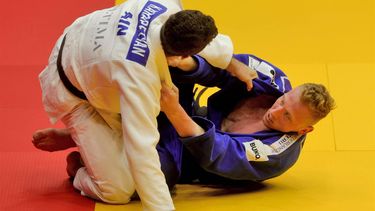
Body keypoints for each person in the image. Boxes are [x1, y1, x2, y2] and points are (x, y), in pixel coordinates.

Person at [36, 0, 257, 210]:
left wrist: (231, 63)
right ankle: (80, 165)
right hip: (73, 92)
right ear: (181, 56)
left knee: (137, 113)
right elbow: (142, 150)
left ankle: (87, 141)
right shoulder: (139, 78)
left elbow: (197, 35)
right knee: (118, 190)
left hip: (81, 39)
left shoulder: (165, 5)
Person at [34, 53, 334, 192]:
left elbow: (215, 151)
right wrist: (185, 62)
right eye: (283, 102)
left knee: (152, 179)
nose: (276, 111)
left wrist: (173, 109)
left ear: (303, 129)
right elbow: (220, 66)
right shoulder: (272, 80)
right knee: (167, 66)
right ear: (289, 91)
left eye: (287, 117)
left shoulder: (277, 153)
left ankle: (85, 149)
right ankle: (86, 127)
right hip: (193, 113)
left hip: (190, 161)